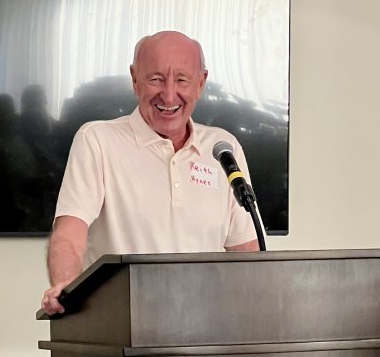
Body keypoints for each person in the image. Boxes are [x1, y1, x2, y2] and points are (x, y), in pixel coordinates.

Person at [41, 30, 259, 315]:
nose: (169, 94)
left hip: (206, 329)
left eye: (182, 80)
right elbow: (69, 231)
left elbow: (247, 250)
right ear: (134, 79)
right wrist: (66, 285)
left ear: (201, 83)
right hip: (122, 326)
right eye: (156, 79)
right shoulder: (98, 140)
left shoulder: (223, 147)